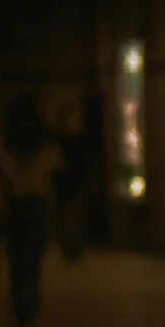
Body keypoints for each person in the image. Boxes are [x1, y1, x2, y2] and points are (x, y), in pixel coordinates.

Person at [0, 90, 59, 327]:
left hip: (15, 208)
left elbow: (2, 177)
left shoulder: (5, 143)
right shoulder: (44, 143)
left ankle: (22, 326)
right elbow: (51, 175)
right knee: (33, 270)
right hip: (36, 207)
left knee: (18, 270)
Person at [53, 95, 94, 263]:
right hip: (66, 184)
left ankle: (75, 248)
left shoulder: (78, 139)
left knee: (77, 217)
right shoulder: (61, 139)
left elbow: (86, 161)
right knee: (68, 218)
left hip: (77, 183)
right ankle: (70, 249)